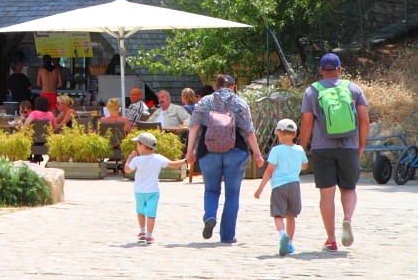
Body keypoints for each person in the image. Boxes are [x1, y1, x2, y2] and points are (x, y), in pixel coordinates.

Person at [299, 52, 369, 252]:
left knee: (326, 194)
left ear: (321, 71)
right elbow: (364, 120)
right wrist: (361, 144)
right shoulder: (353, 88)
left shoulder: (312, 91)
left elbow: (306, 124)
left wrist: (301, 149)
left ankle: (331, 239)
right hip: (349, 147)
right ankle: (347, 219)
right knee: (348, 188)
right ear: (340, 70)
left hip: (322, 147)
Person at [186, 74, 264, 244]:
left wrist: (190, 152)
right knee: (232, 195)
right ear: (233, 87)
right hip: (235, 151)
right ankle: (227, 236)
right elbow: (249, 131)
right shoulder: (239, 103)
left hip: (208, 151)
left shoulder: (205, 102)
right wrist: (257, 154)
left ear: (216, 86)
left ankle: (210, 216)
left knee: (211, 190)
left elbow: (194, 127)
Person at [254, 118, 309, 256]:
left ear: (280, 133)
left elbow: (269, 171)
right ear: (295, 134)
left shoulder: (276, 150)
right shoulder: (299, 149)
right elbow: (305, 165)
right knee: (291, 215)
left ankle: (282, 234)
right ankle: (290, 243)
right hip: (295, 186)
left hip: (279, 186)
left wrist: (260, 189)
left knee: (278, 213)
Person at [125, 132, 188, 245]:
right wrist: (186, 160)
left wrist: (129, 158)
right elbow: (173, 164)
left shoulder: (137, 160)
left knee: (140, 211)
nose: (137, 147)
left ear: (142, 146)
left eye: (137, 145)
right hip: (154, 191)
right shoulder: (158, 158)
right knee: (151, 213)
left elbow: (127, 170)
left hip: (139, 191)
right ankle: (149, 236)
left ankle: (142, 231)